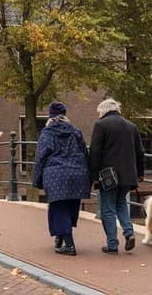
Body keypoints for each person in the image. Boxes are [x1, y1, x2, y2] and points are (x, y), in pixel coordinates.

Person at [32, 102, 91, 256]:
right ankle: (60, 237)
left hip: (56, 174)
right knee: (71, 206)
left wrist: (37, 179)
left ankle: (69, 245)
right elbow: (85, 152)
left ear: (50, 117)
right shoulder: (76, 132)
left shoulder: (47, 134)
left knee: (58, 208)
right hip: (77, 173)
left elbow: (41, 157)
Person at [88, 98, 144, 255]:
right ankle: (129, 233)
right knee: (121, 204)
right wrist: (140, 173)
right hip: (128, 174)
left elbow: (95, 152)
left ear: (103, 111)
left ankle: (112, 244)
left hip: (108, 175)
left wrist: (94, 175)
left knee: (107, 209)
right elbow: (140, 152)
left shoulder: (101, 125)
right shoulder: (131, 126)